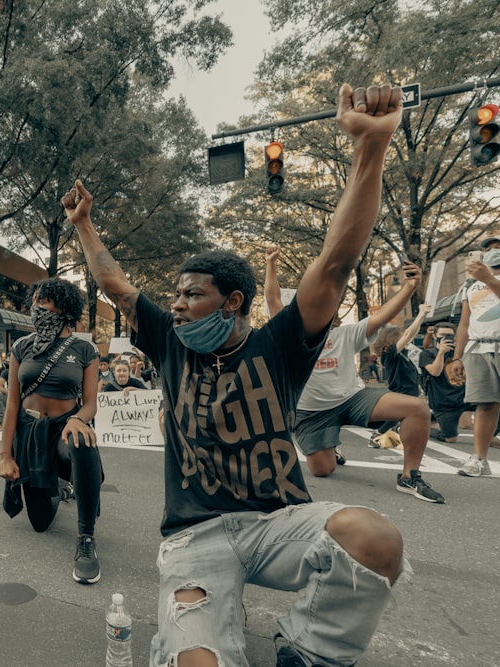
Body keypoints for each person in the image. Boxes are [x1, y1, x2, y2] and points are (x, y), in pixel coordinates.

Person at [68, 84, 412, 666]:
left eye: (191, 295)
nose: (175, 305)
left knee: (375, 538)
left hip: (278, 527)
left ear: (231, 303)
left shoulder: (281, 345)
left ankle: (308, 650)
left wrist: (370, 150)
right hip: (194, 537)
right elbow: (114, 284)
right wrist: (82, 224)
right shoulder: (169, 345)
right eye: (175, 294)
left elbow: (335, 260)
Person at [280, 256, 443, 502]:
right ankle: (330, 446)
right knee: (323, 470)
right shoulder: (288, 339)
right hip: (313, 412)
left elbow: (381, 316)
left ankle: (410, 477)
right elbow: (273, 300)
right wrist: (271, 265)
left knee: (417, 408)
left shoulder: (346, 333)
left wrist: (410, 288)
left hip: (352, 399)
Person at [0, 277, 103, 584]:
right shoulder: (22, 346)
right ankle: (61, 486)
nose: (37, 307)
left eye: (44, 301)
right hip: (31, 432)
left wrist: (78, 419)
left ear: (64, 306)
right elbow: (12, 405)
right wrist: (5, 455)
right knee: (40, 523)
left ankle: (85, 539)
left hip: (66, 428)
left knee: (82, 442)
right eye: (36, 301)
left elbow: (91, 403)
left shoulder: (85, 349)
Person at [450, 236, 500, 477]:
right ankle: (479, 458)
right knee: (486, 404)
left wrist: (489, 279)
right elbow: (464, 323)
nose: (493, 251)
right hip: (478, 349)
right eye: (489, 249)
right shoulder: (470, 286)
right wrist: (457, 357)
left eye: (498, 248)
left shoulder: (486, 279)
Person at [367, 303, 432, 445]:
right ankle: (377, 435)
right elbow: (409, 333)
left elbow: (411, 334)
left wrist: (422, 317)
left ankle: (393, 433)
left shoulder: (403, 353)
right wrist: (421, 314)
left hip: (409, 390)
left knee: (403, 416)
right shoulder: (390, 354)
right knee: (399, 415)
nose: (407, 339)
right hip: (401, 390)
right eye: (402, 337)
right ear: (392, 339)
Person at [421, 321, 475, 443]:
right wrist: (441, 353)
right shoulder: (427, 353)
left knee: (493, 404)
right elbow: (435, 372)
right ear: (435, 336)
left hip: (464, 398)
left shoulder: (459, 353)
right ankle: (424, 427)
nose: (446, 338)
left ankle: (493, 434)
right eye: (442, 335)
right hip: (444, 403)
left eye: (449, 335)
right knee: (450, 438)